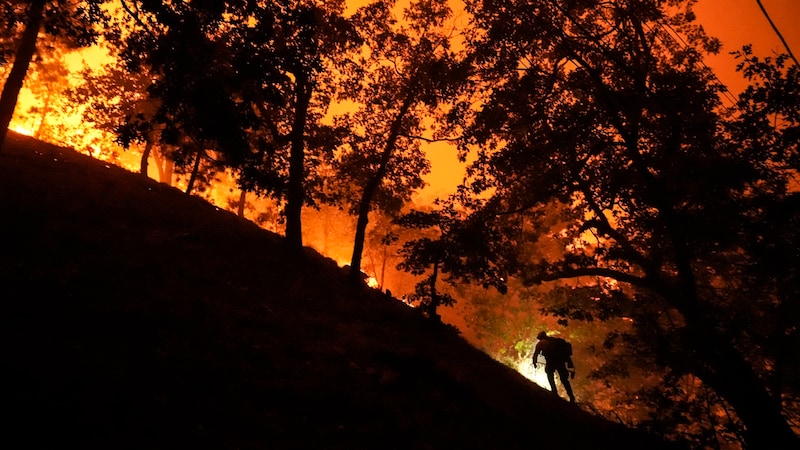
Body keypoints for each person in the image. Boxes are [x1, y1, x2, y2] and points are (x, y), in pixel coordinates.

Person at [533, 331, 576, 403]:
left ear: (540, 337)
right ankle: (571, 397)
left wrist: (534, 362)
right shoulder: (556, 341)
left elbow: (536, 354)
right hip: (560, 362)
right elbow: (567, 356)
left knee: (549, 374)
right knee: (564, 380)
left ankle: (554, 391)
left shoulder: (541, 343)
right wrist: (571, 367)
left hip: (551, 362)